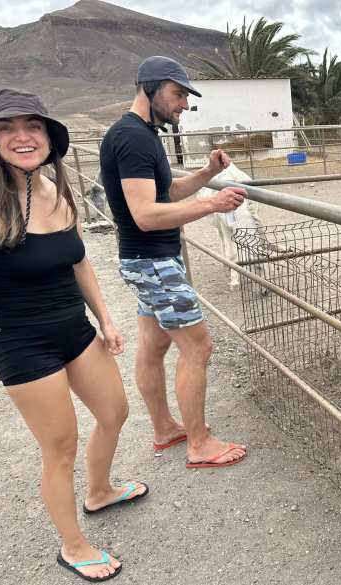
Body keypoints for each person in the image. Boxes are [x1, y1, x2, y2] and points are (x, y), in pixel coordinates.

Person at [0, 89, 147, 582]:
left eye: (33, 126)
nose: (22, 136)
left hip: (74, 329)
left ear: (49, 137)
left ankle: (100, 491)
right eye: (7, 128)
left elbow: (79, 259)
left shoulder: (60, 192)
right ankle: (72, 544)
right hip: (22, 342)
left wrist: (105, 318)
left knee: (115, 411)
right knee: (60, 445)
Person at [99, 56, 248, 468]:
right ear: (151, 88)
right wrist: (211, 204)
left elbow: (164, 192)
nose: (184, 104)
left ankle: (165, 428)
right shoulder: (133, 137)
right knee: (198, 347)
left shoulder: (138, 134)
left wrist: (206, 173)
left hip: (145, 261)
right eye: (178, 93)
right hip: (153, 262)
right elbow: (146, 215)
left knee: (154, 344)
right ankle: (199, 443)